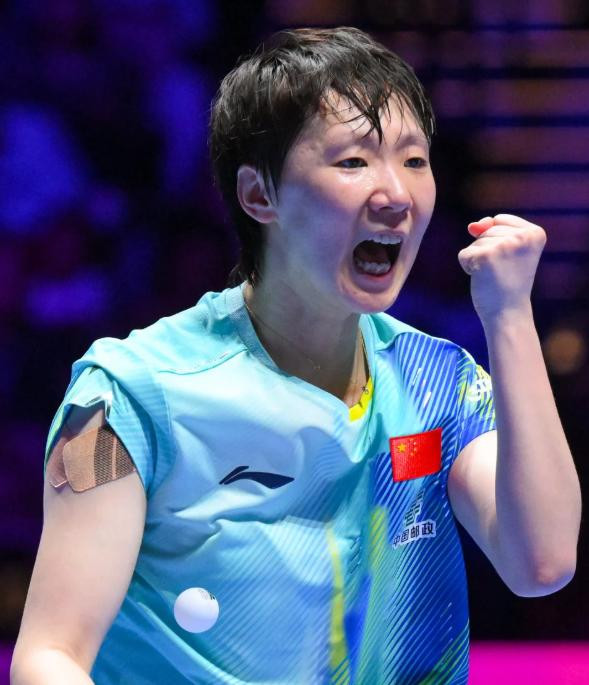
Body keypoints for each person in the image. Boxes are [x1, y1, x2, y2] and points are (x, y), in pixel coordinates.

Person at [11, 27, 581, 685]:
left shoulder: (437, 384)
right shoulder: (124, 397)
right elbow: (49, 656)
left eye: (413, 159)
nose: (396, 193)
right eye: (353, 161)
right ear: (260, 195)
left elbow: (541, 562)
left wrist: (509, 314)